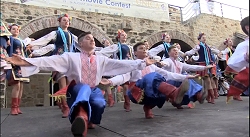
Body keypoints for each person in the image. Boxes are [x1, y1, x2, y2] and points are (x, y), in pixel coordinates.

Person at [5, 32, 156, 137]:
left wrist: (142, 63)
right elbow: (48, 61)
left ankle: (88, 120)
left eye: (93, 39)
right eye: (88, 38)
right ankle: (81, 118)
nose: (92, 40)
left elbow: (121, 64)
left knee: (99, 103)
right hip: (76, 91)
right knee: (83, 88)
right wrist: (25, 61)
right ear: (80, 43)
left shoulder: (101, 60)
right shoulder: (70, 57)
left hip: (94, 90)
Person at [101, 42, 199, 118]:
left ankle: (149, 107)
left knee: (167, 79)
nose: (144, 50)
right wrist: (110, 81)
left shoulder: (152, 66)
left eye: (145, 48)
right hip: (137, 92)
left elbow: (167, 74)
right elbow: (123, 77)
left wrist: (186, 77)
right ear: (135, 53)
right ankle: (174, 94)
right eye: (141, 48)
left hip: (150, 93)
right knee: (151, 77)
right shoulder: (132, 65)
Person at [29, 13, 80, 118]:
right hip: (59, 60)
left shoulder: (72, 36)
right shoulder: (55, 33)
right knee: (63, 83)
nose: (66, 22)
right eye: (64, 20)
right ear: (60, 22)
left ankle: (67, 103)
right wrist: (32, 45)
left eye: (67, 21)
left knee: (70, 84)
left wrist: (96, 50)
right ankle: (65, 107)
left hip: (70, 60)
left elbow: (82, 43)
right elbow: (44, 40)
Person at [98, 29, 134, 111]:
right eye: (122, 35)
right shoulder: (116, 46)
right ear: (118, 37)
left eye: (125, 35)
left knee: (126, 86)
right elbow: (109, 54)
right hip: (118, 66)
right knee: (110, 83)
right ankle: (110, 98)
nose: (124, 36)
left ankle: (127, 102)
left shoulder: (130, 47)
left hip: (127, 67)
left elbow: (132, 56)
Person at [6, 24, 33, 115]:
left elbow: (23, 51)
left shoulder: (21, 40)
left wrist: (28, 51)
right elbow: (7, 50)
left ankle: (17, 107)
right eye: (13, 29)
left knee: (21, 86)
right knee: (16, 85)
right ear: (10, 30)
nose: (16, 30)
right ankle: (13, 108)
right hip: (14, 63)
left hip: (22, 63)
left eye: (17, 29)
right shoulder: (9, 39)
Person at [185, 33, 218, 104]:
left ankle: (210, 97)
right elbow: (192, 51)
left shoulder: (208, 46)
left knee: (210, 81)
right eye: (203, 37)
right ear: (199, 39)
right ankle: (211, 97)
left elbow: (214, 51)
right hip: (203, 64)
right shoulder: (198, 46)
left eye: (205, 37)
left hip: (209, 64)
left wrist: (219, 53)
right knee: (208, 81)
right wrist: (185, 54)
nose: (204, 38)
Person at [226, 16, 249, 103]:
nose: (231, 42)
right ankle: (235, 93)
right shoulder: (243, 45)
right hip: (241, 67)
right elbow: (233, 60)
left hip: (241, 67)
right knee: (240, 79)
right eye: (229, 41)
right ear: (248, 28)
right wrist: (245, 57)